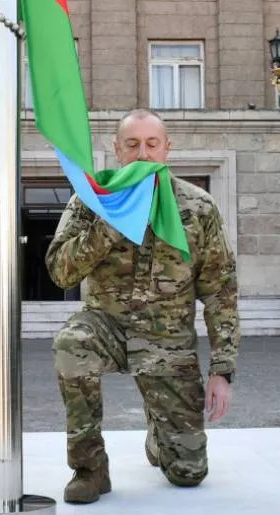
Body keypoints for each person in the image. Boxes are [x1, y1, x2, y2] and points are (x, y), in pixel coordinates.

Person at [45, 108, 241, 504]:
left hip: (168, 343)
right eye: (132, 145)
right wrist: (110, 223)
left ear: (167, 148)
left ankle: (159, 433)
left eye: (152, 144)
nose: (143, 154)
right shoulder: (92, 200)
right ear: (117, 150)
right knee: (71, 343)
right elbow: (60, 272)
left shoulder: (198, 207)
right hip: (106, 327)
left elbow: (220, 291)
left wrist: (222, 371)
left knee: (188, 474)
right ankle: (90, 469)